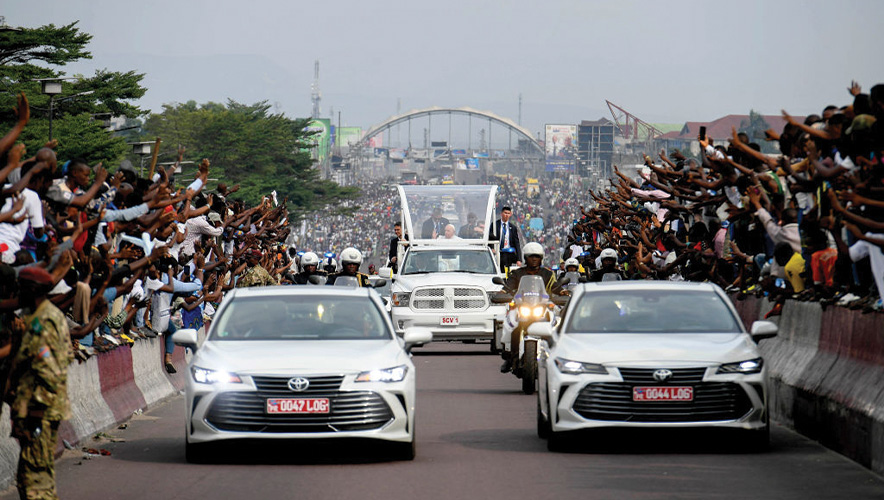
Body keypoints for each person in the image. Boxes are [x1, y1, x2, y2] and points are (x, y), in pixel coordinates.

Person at [5, 266, 72, 500]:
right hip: (34, 409)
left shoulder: (44, 320)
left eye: (21, 288)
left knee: (36, 480)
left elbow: (49, 370)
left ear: (32, 290)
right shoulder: (37, 317)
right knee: (29, 476)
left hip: (39, 413)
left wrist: (35, 413)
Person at [500, 242, 564, 373]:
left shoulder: (547, 274)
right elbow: (508, 287)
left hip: (542, 308)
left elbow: (556, 288)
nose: (534, 259)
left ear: (541, 258)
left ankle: (555, 355)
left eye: (537, 256)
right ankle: (511, 357)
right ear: (525, 258)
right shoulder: (518, 273)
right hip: (522, 307)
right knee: (513, 326)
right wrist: (502, 292)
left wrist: (563, 293)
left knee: (555, 326)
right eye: (531, 256)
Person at [491, 206, 522, 273]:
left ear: (510, 214)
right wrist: (492, 248)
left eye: (508, 213)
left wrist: (519, 259)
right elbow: (490, 237)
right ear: (501, 213)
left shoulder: (512, 227)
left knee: (507, 271)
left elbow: (517, 243)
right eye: (505, 213)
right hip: (498, 252)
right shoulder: (495, 225)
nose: (506, 215)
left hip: (508, 253)